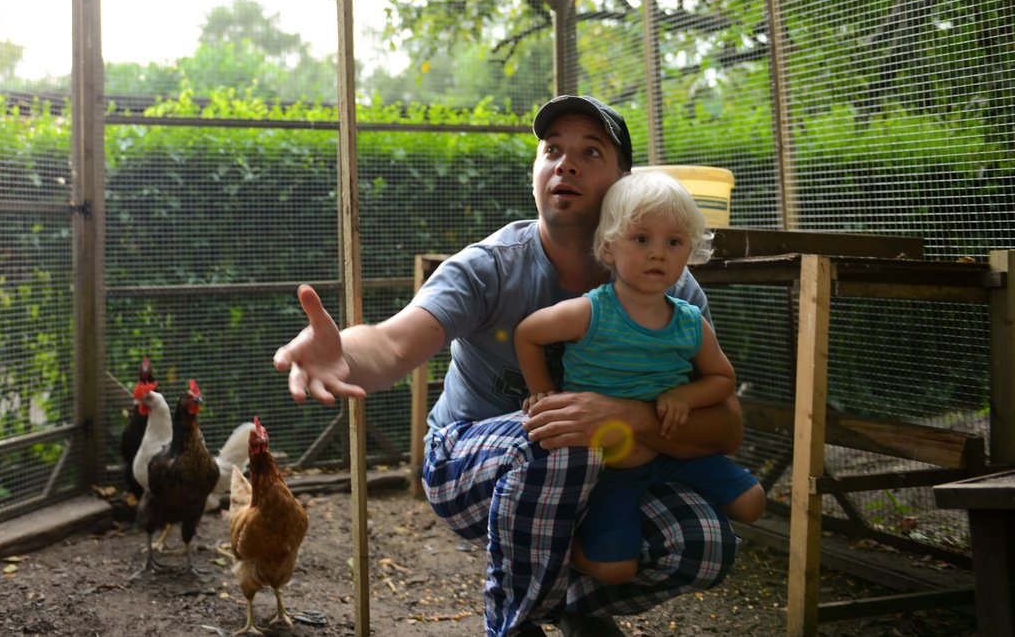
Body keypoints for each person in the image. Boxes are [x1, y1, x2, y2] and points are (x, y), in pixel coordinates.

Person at [273, 95, 745, 637]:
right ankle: (514, 623)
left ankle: (576, 607)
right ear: (536, 172)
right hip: (467, 463)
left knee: (703, 542)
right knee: (561, 440)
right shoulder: (491, 267)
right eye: (551, 150)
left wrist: (628, 416)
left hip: (608, 471)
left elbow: (726, 428)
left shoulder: (671, 287)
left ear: (623, 181)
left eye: (590, 152)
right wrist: (345, 354)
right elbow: (393, 343)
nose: (564, 164)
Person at [514, 170, 765, 586]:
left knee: (752, 503)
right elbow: (528, 334)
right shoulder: (589, 312)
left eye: (673, 242)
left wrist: (686, 396)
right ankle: (566, 553)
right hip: (612, 467)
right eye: (641, 239)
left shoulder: (690, 322)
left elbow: (722, 378)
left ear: (689, 252)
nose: (657, 254)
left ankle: (668, 526)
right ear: (609, 248)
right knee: (615, 570)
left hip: (676, 450)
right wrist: (541, 392)